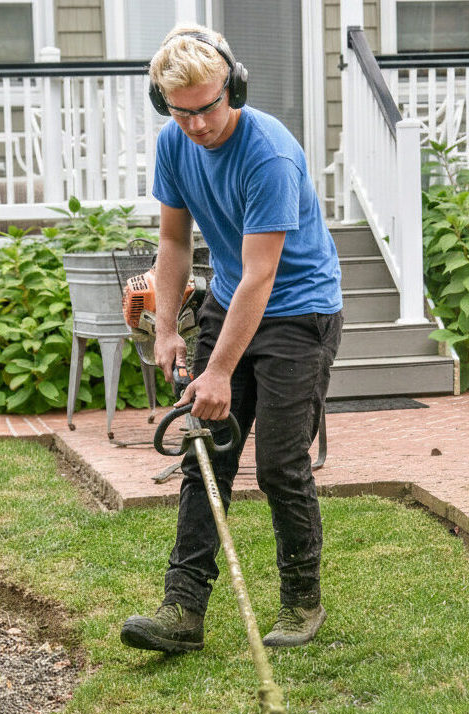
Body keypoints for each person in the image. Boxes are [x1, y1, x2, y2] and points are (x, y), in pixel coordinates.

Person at [120, 23, 342, 653]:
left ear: (234, 88)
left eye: (208, 107)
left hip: (298, 312)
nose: (196, 125)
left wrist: (217, 372)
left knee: (278, 463)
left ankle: (302, 602)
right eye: (180, 112)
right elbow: (172, 242)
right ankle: (182, 609)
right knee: (204, 453)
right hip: (229, 301)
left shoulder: (268, 153)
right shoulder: (175, 141)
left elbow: (261, 275)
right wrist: (166, 327)